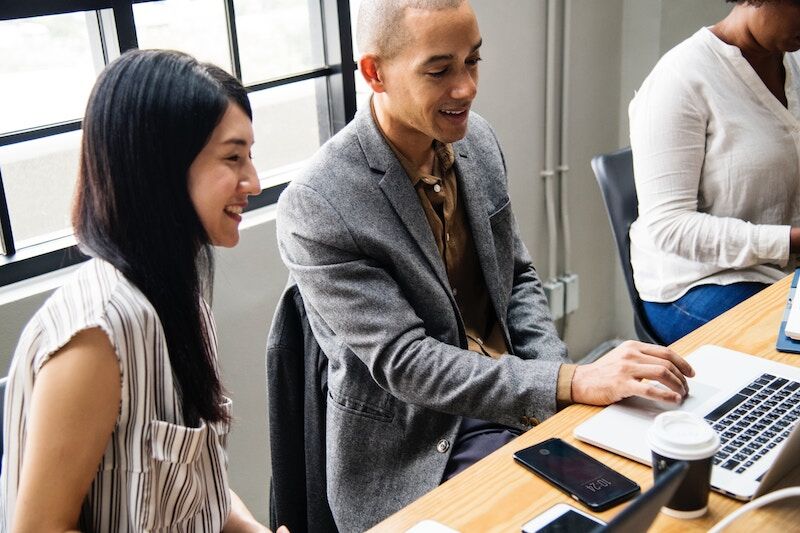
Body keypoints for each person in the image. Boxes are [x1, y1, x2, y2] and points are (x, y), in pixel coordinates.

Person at [276, 1, 694, 530]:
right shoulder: (319, 203)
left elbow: (516, 278)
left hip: (515, 397)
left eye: (472, 61)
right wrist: (567, 382)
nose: (467, 87)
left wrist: (560, 390)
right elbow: (408, 362)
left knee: (655, 476)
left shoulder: (477, 142)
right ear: (374, 73)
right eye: (440, 69)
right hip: (423, 444)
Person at [0, 49, 287, 533]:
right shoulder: (97, 333)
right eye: (233, 157)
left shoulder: (177, 300)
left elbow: (198, 488)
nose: (253, 181)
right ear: (161, 170)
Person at [629, 0, 800, 344]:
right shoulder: (680, 79)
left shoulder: (793, 61)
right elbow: (670, 226)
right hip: (701, 280)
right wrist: (790, 239)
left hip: (783, 268)